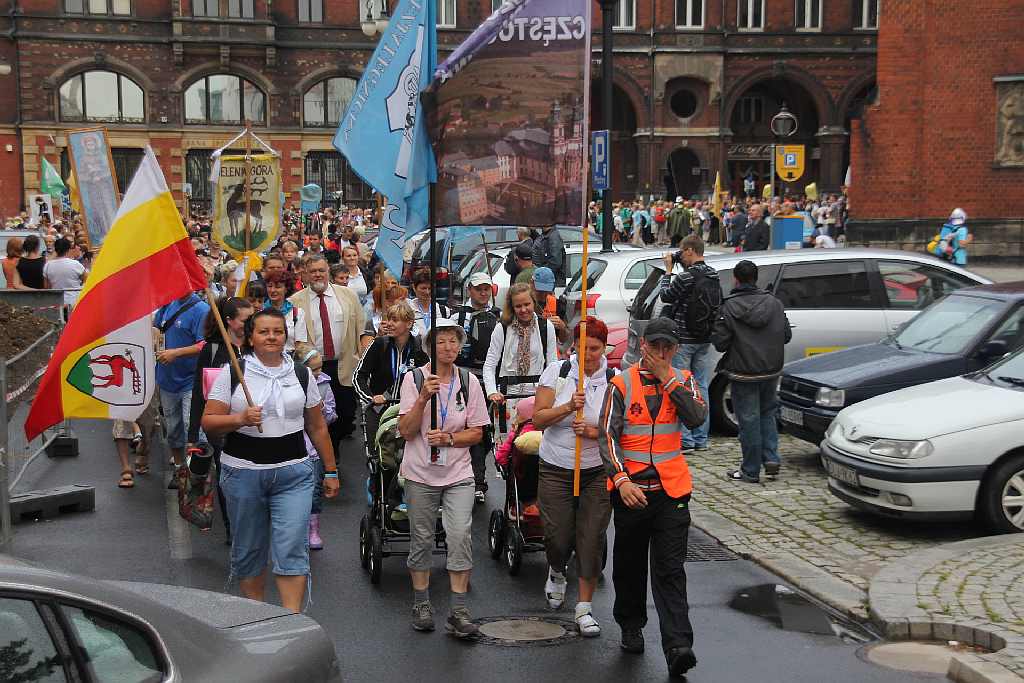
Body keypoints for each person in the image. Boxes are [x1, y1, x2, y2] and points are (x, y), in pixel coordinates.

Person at [201, 308, 339, 613]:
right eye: (264, 331)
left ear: (285, 336)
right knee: (250, 548)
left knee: (291, 545)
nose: (272, 337)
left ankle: (290, 620)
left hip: (294, 473)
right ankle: (257, 614)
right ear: (250, 336)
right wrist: (239, 418)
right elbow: (209, 421)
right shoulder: (234, 371)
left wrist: (330, 470)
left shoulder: (301, 373)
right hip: (243, 474)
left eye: (277, 331)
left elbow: (316, 426)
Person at [598, 318, 707, 677]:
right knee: (629, 565)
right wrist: (621, 479)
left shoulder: (685, 381)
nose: (661, 353)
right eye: (656, 346)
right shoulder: (621, 384)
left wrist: (669, 378)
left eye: (668, 347)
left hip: (671, 492)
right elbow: (607, 436)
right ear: (643, 345)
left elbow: (695, 419)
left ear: (675, 349)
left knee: (670, 570)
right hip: (631, 492)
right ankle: (631, 624)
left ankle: (678, 645)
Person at [397, 319, 490, 637]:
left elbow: (477, 432)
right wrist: (423, 398)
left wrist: (449, 440)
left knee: (460, 534)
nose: (449, 348)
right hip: (420, 472)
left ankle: (459, 610)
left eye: (454, 341)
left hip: (458, 473)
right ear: (429, 348)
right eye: (442, 342)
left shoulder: (468, 380)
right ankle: (421, 602)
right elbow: (405, 431)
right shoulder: (414, 379)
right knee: (421, 538)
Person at [533, 316, 615, 637]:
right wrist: (568, 406)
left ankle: (584, 607)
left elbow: (619, 429)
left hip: (596, 471)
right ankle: (556, 569)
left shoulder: (614, 378)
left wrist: (594, 432)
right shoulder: (559, 372)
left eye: (594, 348)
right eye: (583, 348)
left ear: (603, 347)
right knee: (558, 536)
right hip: (556, 467)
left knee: (591, 538)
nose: (589, 354)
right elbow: (539, 419)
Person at [710, 259, 791, 483]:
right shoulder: (774, 303)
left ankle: (750, 469)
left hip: (743, 370)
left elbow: (720, 343)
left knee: (748, 420)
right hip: (770, 369)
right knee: (767, 414)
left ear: (736, 279)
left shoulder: (728, 307)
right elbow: (786, 336)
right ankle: (771, 458)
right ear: (756, 279)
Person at [187, 297, 254, 540]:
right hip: (221, 428)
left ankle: (250, 521)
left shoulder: (255, 347)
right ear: (229, 321)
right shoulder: (212, 349)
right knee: (227, 477)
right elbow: (198, 392)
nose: (251, 324)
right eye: (246, 319)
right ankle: (232, 527)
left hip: (252, 425)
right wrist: (193, 434)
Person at [289, 254, 365, 445]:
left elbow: (361, 329)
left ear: (328, 271)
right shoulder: (295, 302)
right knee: (318, 415)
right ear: (305, 274)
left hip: (345, 366)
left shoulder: (348, 296)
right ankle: (329, 458)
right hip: (314, 371)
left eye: (321, 270)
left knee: (345, 414)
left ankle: (335, 446)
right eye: (312, 271)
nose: (317, 275)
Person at [659, 235, 720, 451]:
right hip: (704, 339)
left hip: (684, 340)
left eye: (682, 252)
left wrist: (667, 271)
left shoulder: (685, 277)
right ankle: (701, 439)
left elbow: (665, 296)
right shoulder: (714, 275)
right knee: (701, 386)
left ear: (690, 250)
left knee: (682, 386)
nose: (681, 256)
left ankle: (686, 439)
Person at [451, 271, 502, 503]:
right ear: (469, 290)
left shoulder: (499, 316)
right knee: (464, 427)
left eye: (486, 289)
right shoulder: (457, 316)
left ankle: (478, 477)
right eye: (478, 288)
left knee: (485, 431)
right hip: (463, 378)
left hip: (490, 381)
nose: (483, 293)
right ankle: (468, 479)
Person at [355, 301, 428, 460]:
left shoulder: (419, 348)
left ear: (409, 323)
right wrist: (371, 398)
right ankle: (375, 484)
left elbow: (427, 378)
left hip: (408, 411)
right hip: (379, 411)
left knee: (408, 456)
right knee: (379, 458)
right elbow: (359, 376)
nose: (389, 324)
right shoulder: (379, 344)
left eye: (395, 320)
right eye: (389, 319)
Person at [154, 290, 210, 475]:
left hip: (190, 380)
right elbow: (156, 326)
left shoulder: (202, 310)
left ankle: (197, 474)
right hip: (166, 379)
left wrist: (175, 353)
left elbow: (204, 344)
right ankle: (179, 470)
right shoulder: (167, 303)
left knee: (191, 427)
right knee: (172, 429)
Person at [483, 283, 558, 407]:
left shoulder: (546, 326)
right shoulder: (502, 328)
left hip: (537, 395)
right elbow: (490, 364)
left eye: (527, 304)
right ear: (512, 307)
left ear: (534, 302)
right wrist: (492, 392)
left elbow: (553, 364)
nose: (523, 310)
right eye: (518, 306)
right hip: (507, 395)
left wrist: (551, 393)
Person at [264, 272, 309, 355]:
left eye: (278, 287)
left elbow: (300, 344)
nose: (272, 290)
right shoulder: (260, 313)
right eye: (270, 286)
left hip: (290, 360)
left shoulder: (297, 313)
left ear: (286, 289)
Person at [43, 237, 86, 312]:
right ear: (68, 250)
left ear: (55, 249)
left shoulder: (48, 265)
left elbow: (47, 287)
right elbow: (86, 279)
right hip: (74, 302)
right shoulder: (75, 264)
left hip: (57, 303)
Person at [531, 267, 570, 345]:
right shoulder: (523, 303)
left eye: (546, 291)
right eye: (540, 291)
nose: (543, 294)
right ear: (531, 283)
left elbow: (563, 339)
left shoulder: (558, 304)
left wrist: (562, 327)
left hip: (549, 351)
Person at [408, 267, 450, 338]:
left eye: (430, 288)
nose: (427, 292)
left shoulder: (443, 311)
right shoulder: (407, 310)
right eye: (423, 288)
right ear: (414, 288)